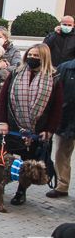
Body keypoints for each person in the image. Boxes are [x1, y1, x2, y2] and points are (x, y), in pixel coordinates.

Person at [0, 44, 62, 206]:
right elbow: (3, 99)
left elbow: (56, 107)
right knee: (1, 157)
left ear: (44, 58)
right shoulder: (16, 73)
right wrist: (2, 121)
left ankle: (21, 192)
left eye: (36, 56)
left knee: (29, 164)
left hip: (37, 129)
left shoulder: (54, 78)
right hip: (12, 125)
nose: (32, 58)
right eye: (30, 55)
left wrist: (49, 130)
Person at [49, 57, 75, 198]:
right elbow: (55, 93)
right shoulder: (65, 68)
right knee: (62, 153)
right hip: (67, 118)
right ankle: (62, 186)